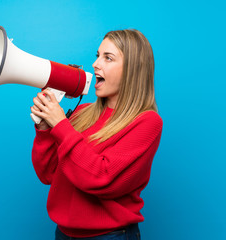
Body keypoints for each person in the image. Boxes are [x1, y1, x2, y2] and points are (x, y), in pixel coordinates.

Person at [30, 29, 163, 240]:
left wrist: (61, 125)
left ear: (133, 70)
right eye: (97, 55)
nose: (95, 64)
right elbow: (48, 174)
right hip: (63, 233)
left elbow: (101, 178)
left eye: (108, 58)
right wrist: (46, 130)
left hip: (109, 236)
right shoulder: (82, 113)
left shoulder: (146, 122)